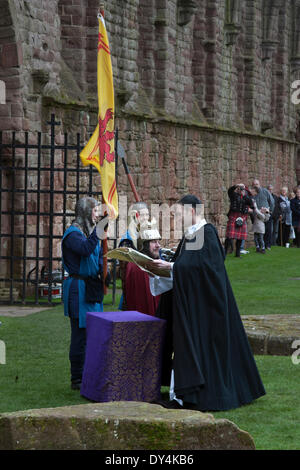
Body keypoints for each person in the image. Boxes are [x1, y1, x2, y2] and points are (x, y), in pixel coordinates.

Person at [149, 194, 266, 412]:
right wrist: (164, 267)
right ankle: (181, 393)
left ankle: (195, 393)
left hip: (208, 308)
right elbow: (185, 265)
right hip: (191, 306)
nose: (178, 218)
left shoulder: (207, 234)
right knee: (183, 345)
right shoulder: (191, 235)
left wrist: (171, 268)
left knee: (202, 349)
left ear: (192, 212)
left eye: (180, 213)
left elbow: (207, 269)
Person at [62, 197, 108, 390]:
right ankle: (76, 378)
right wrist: (100, 230)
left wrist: (104, 272)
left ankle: (91, 372)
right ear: (85, 212)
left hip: (90, 286)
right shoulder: (72, 234)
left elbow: (96, 256)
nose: (97, 215)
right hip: (78, 288)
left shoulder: (88, 232)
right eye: (95, 211)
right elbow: (85, 249)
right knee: (80, 335)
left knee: (95, 331)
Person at [124, 219, 161, 316]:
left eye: (158, 241)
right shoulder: (136, 266)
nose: (158, 245)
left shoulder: (154, 263)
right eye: (153, 242)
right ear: (143, 245)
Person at [118, 202, 149, 310]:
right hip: (133, 285)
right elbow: (124, 268)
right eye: (142, 215)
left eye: (147, 215)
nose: (146, 218)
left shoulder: (146, 234)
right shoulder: (127, 239)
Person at [224, 184, 254, 258]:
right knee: (229, 236)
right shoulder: (233, 195)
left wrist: (244, 195)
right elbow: (229, 190)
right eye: (240, 188)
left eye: (242, 188)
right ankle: (224, 253)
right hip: (233, 216)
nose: (241, 190)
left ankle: (237, 254)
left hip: (242, 217)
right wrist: (235, 186)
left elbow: (251, 204)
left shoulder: (246, 197)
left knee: (240, 237)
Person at [252, 179, 274, 250]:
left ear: (259, 184)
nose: (255, 186)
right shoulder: (252, 193)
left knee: (268, 230)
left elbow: (272, 201)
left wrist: (270, 211)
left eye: (257, 184)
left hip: (266, 214)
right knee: (258, 232)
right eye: (254, 184)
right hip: (257, 215)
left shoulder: (265, 191)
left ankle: (267, 245)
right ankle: (259, 246)